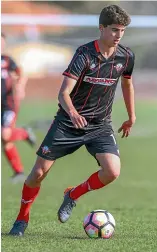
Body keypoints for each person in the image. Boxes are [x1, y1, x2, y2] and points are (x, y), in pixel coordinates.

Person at [9, 4, 136, 236]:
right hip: (68, 122)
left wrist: (131, 116)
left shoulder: (126, 56)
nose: (119, 35)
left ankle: (72, 195)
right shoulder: (84, 54)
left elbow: (127, 83)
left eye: (123, 31)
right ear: (102, 28)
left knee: (112, 172)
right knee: (38, 174)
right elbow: (63, 93)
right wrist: (74, 114)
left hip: (99, 125)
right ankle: (21, 219)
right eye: (115, 30)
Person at [1, 32, 36, 183]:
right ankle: (19, 172)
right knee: (6, 140)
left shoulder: (7, 60)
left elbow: (21, 73)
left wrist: (20, 86)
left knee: (5, 135)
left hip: (7, 104)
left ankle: (24, 133)